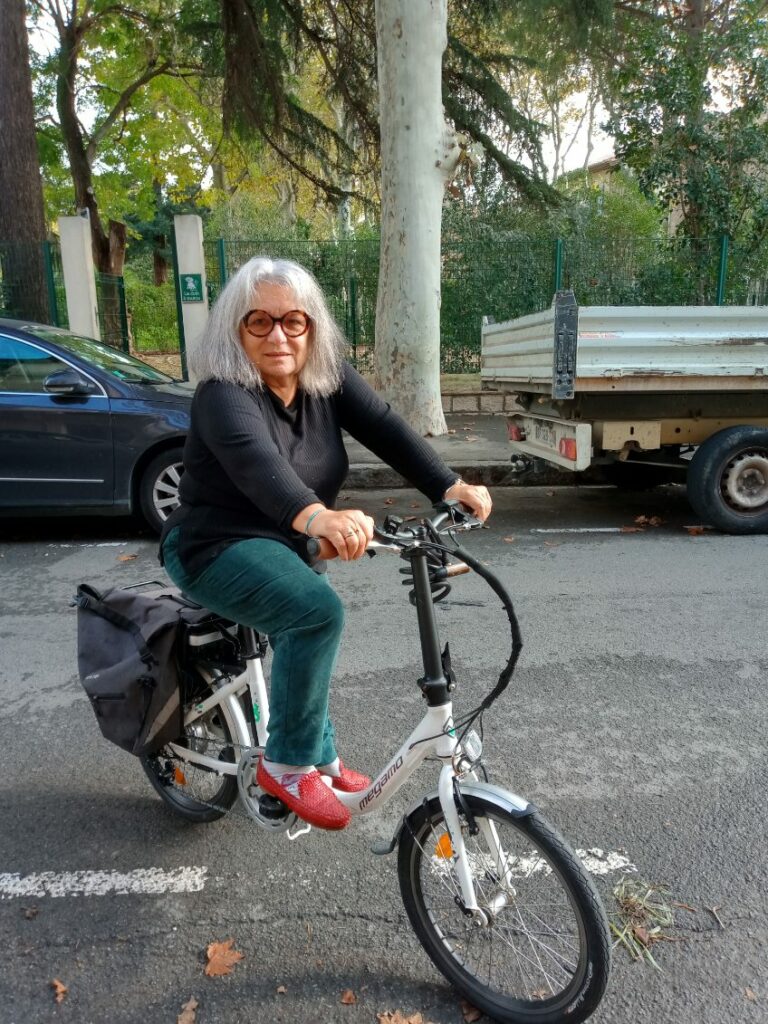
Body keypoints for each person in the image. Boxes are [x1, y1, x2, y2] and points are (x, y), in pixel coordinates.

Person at [160, 256, 492, 831]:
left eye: (294, 321)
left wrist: (448, 483)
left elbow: (385, 426)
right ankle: (287, 766)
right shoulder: (223, 393)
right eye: (258, 321)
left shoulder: (327, 377)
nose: (279, 335)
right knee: (315, 615)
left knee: (310, 636)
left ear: (313, 326)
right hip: (213, 544)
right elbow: (257, 461)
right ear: (235, 331)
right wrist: (316, 516)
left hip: (285, 542)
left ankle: (320, 757)